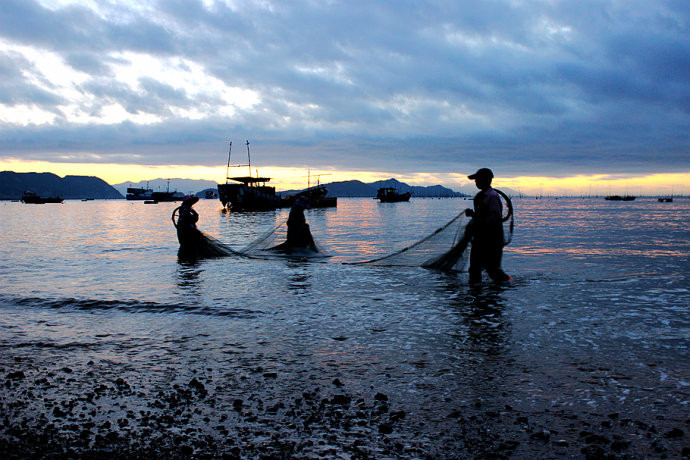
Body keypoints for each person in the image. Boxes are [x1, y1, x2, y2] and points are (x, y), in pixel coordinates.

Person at [465, 168, 511, 283]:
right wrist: (473, 215)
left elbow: (494, 219)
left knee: (492, 270)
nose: (475, 182)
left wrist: (477, 219)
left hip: (491, 240)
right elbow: (484, 216)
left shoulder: (492, 196)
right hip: (480, 239)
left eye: (477, 180)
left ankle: (508, 284)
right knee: (475, 269)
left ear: (485, 180)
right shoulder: (482, 196)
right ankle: (477, 295)